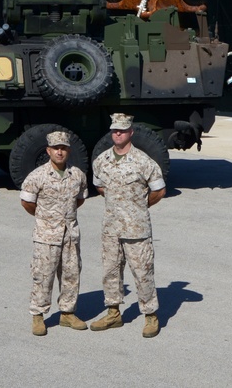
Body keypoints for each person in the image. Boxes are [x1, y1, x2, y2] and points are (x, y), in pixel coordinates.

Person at [89, 113, 166, 338]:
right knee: (110, 271)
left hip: (137, 229)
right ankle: (113, 313)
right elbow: (100, 187)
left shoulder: (144, 161)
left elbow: (159, 190)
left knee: (143, 272)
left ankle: (150, 315)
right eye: (114, 130)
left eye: (122, 130)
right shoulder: (101, 160)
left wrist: (138, 207)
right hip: (111, 228)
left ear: (131, 132)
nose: (118, 134)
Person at [20, 130, 89, 336]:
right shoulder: (37, 176)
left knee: (71, 274)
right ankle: (38, 315)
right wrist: (46, 219)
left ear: (68, 151)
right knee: (43, 276)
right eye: (56, 148)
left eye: (64, 148)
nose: (60, 152)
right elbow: (27, 203)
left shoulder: (77, 174)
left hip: (69, 234)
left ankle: (67, 313)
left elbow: (80, 199)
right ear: (48, 151)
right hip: (46, 236)